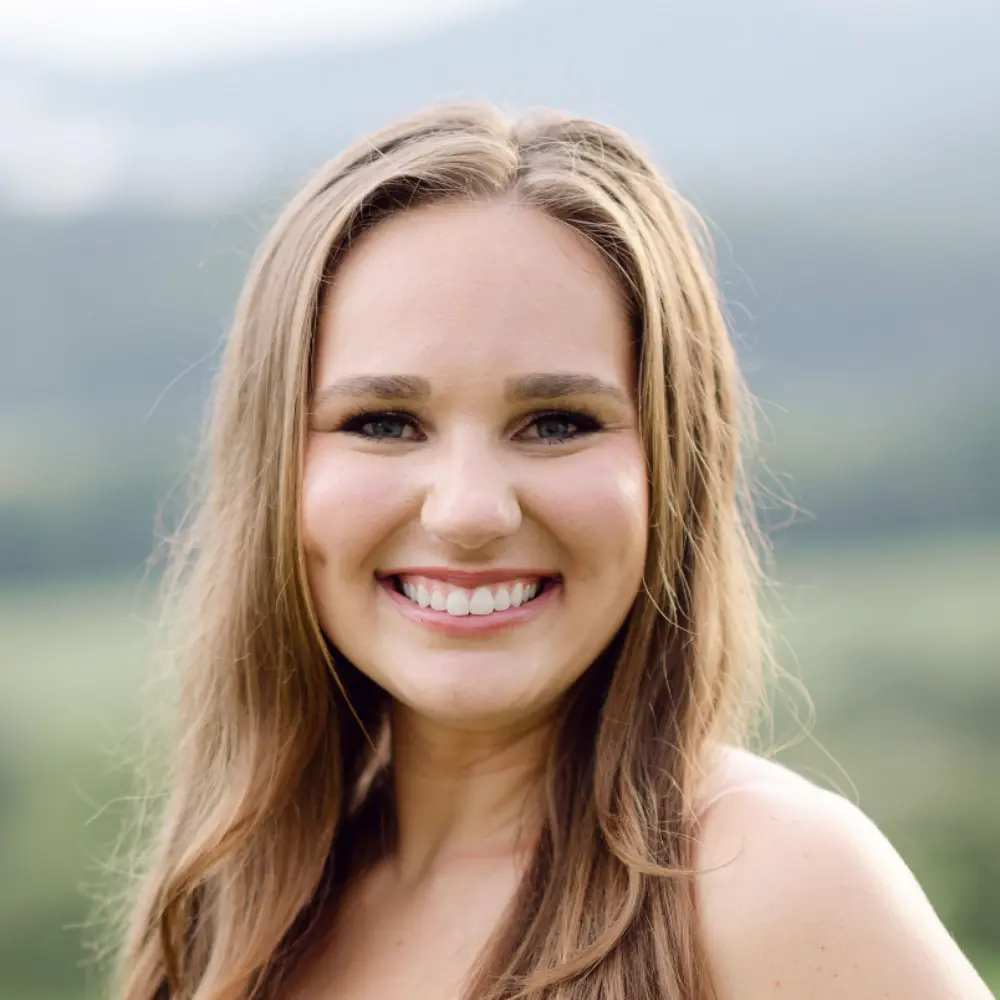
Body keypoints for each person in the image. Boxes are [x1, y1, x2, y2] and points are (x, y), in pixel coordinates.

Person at [115, 102, 993, 1000]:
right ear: (276, 472)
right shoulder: (234, 907)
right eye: (383, 422)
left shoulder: (771, 885)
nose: (467, 511)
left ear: (674, 466)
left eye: (557, 423)